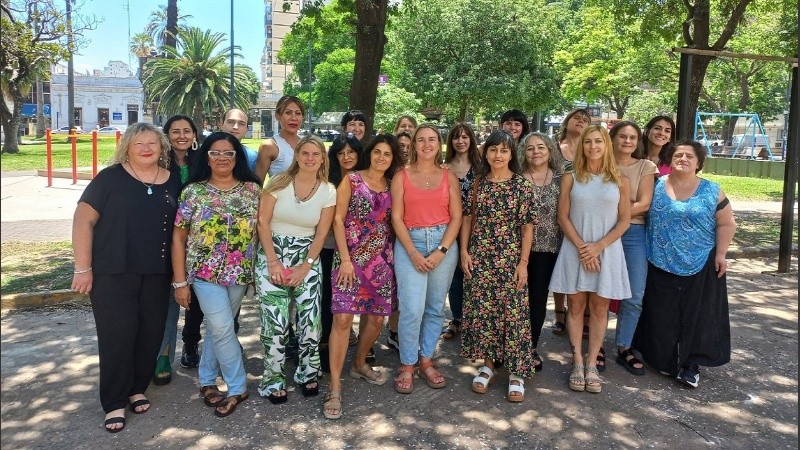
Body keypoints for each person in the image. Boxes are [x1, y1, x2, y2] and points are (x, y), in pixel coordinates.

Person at [71, 122, 181, 433]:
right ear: (127, 148)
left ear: (162, 148)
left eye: (153, 143)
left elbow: (178, 230)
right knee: (118, 336)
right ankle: (115, 401)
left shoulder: (173, 181)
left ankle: (136, 388)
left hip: (157, 273)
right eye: (139, 144)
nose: (147, 148)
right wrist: (83, 267)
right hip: (112, 272)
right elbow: (83, 220)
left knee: (150, 332)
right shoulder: (109, 179)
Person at [171, 131, 261, 417]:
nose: (222, 158)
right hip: (203, 274)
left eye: (228, 153)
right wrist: (180, 282)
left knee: (216, 328)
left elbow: (264, 231)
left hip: (239, 275)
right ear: (206, 157)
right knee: (223, 328)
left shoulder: (253, 190)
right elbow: (178, 239)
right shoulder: (193, 192)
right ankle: (237, 386)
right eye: (215, 153)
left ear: (237, 157)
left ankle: (207, 381)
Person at [634, 141, 736, 388]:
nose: (684, 158)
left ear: (699, 162)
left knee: (697, 315)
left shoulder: (713, 190)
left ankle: (691, 365)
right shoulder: (656, 186)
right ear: (670, 159)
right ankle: (662, 359)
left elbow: (726, 223)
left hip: (701, 261)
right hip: (659, 259)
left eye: (690, 156)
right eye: (678, 154)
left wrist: (721, 254)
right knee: (661, 312)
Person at [548, 125, 631, 394]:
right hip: (576, 248)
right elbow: (563, 217)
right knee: (575, 306)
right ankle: (577, 361)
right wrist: (585, 248)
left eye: (598, 141)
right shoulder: (571, 176)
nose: (593, 146)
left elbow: (624, 220)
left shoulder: (619, 178)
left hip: (606, 250)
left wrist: (598, 247)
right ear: (581, 145)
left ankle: (593, 362)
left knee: (599, 308)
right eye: (588, 142)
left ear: (606, 145)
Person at [325, 134, 402, 419]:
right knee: (343, 318)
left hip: (381, 260)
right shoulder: (352, 180)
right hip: (349, 259)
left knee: (377, 319)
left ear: (393, 159)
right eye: (378, 152)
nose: (382, 158)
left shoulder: (394, 185)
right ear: (370, 153)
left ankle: (359, 363)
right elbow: (337, 220)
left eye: (388, 154)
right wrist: (345, 259)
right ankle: (334, 386)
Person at [255, 135, 335, 404]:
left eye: (316, 154)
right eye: (305, 153)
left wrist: (306, 266)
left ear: (322, 159)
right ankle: (273, 379)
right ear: (297, 156)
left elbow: (322, 232)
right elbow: (263, 223)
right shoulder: (278, 184)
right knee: (275, 323)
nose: (310, 158)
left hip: (307, 255)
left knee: (310, 322)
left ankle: (308, 373)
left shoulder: (328, 190)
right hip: (272, 253)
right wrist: (273, 262)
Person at [460, 131, 535, 402]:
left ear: (511, 154)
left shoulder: (521, 186)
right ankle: (488, 365)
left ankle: (516, 372)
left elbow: (528, 228)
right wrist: (464, 251)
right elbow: (467, 220)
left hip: (511, 258)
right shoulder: (478, 184)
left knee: (513, 314)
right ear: (486, 153)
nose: (498, 155)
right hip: (481, 257)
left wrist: (523, 263)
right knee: (486, 313)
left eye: (504, 150)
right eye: (493, 150)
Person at [391, 124, 461, 394]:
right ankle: (407, 363)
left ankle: (426, 359)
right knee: (411, 308)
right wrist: (413, 253)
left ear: (440, 144)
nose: (427, 144)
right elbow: (396, 217)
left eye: (432, 139)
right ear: (414, 144)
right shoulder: (402, 176)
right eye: (421, 140)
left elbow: (456, 216)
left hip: (443, 242)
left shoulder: (448, 176)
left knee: (434, 307)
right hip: (411, 242)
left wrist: (441, 250)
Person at [153, 115, 201, 385]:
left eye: (187, 131)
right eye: (175, 131)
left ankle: (192, 345)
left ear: (194, 135)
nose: (181, 135)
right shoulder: (158, 162)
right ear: (167, 135)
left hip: (198, 241)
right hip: (164, 238)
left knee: (195, 298)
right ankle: (164, 354)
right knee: (170, 298)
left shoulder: (202, 162)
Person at [610, 121, 658, 376]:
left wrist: (615, 211)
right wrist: (626, 205)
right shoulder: (601, 163)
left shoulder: (645, 166)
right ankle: (593, 348)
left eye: (632, 137)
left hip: (633, 232)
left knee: (634, 294)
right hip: (601, 232)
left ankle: (623, 346)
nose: (627, 141)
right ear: (613, 138)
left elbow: (645, 203)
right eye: (622, 136)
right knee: (595, 290)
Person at [320, 133, 364, 372]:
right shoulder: (327, 179)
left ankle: (360, 348)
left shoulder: (368, 178)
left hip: (360, 249)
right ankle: (325, 345)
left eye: (351, 152)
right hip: (329, 246)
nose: (346, 157)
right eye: (341, 153)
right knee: (329, 298)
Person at [520, 131, 563, 373]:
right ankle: (509, 345)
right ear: (523, 153)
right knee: (515, 300)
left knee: (537, 300)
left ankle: (530, 346)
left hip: (548, 249)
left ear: (549, 150)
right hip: (517, 249)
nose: (536, 152)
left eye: (541, 147)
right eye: (530, 148)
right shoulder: (516, 178)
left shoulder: (560, 179)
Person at [551, 108, 592, 337]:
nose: (581, 121)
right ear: (566, 122)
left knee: (580, 263)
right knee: (561, 264)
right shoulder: (554, 146)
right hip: (553, 213)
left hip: (580, 211)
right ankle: (559, 315)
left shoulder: (590, 149)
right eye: (577, 118)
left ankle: (583, 317)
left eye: (585, 120)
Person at [440, 123, 482, 342]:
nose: (460, 141)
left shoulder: (481, 167)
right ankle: (457, 318)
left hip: (478, 228)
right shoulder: (444, 168)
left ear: (471, 139)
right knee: (455, 276)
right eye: (456, 137)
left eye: (465, 137)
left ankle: (474, 320)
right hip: (450, 227)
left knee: (474, 274)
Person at [256, 95, 305, 181]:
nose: (293, 118)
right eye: (288, 113)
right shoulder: (269, 146)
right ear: (278, 116)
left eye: (298, 113)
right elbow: (257, 185)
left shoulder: (307, 144)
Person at [220, 109, 258, 174]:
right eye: (230, 122)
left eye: (241, 123)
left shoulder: (252, 157)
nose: (235, 127)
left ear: (247, 129)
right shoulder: (205, 152)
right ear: (221, 125)